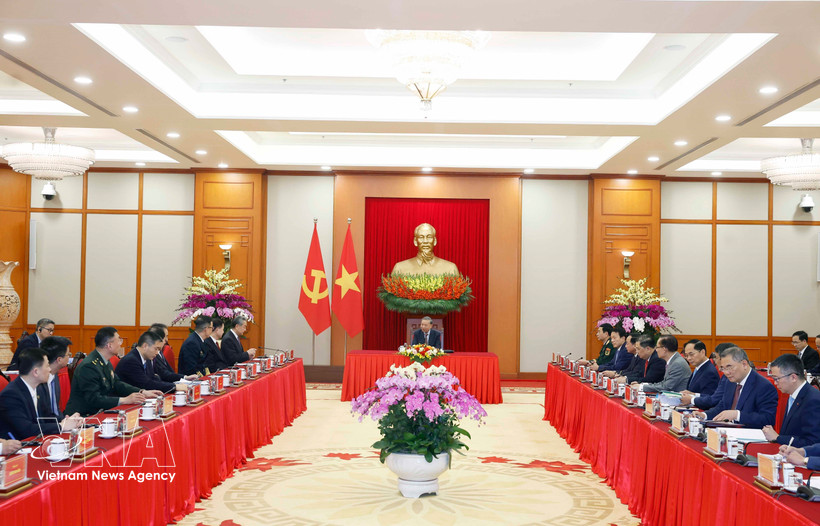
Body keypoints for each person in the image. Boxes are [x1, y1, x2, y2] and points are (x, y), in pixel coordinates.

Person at [65, 327, 162, 416]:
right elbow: (94, 399)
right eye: (119, 340)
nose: (121, 343)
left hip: (99, 411)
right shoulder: (89, 366)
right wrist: (124, 400)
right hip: (83, 416)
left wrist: (142, 392)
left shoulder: (104, 361)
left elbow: (116, 384)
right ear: (109, 345)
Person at [0, 348, 82, 438]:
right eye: (47, 366)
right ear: (36, 372)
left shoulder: (38, 388)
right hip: (18, 446)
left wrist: (68, 420)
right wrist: (61, 426)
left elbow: (47, 415)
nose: (50, 369)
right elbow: (27, 429)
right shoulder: (11, 395)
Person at [699, 346, 778, 427]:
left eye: (729, 367)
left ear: (744, 364)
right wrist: (704, 415)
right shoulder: (730, 382)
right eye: (723, 368)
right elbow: (722, 407)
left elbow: (768, 419)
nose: (726, 373)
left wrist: (737, 415)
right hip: (728, 431)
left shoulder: (764, 386)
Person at [761, 354, 820, 447]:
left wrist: (777, 438)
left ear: (793, 377)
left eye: (777, 379)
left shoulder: (813, 400)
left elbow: (812, 443)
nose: (775, 383)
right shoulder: (793, 395)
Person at [391, 223, 459, 276]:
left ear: (434, 241)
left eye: (429, 237)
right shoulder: (400, 269)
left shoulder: (450, 269)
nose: (425, 241)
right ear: (415, 241)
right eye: (421, 237)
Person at [681, 342, 736, 408]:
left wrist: (692, 399)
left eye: (716, 357)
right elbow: (716, 398)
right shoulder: (725, 376)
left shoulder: (710, 371)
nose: (688, 358)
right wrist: (694, 395)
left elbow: (713, 399)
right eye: (686, 355)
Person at [37, 335, 73, 420]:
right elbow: (42, 416)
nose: (70, 357)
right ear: (59, 359)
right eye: (68, 354)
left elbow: (55, 411)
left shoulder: (54, 376)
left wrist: (65, 420)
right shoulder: (38, 382)